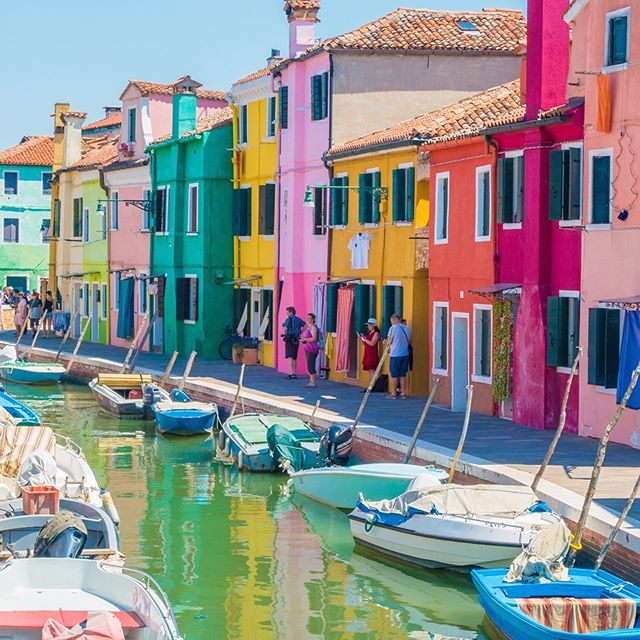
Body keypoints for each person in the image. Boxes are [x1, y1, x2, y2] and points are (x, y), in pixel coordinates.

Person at [383, 314, 412, 399]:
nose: (392, 323)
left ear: (395, 320)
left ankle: (394, 393)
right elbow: (409, 342)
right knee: (403, 375)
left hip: (395, 354)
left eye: (392, 321)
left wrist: (384, 342)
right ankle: (403, 393)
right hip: (405, 354)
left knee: (395, 375)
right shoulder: (407, 328)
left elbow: (389, 341)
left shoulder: (393, 328)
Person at [281, 306, 305, 379]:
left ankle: (292, 373)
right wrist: (300, 332)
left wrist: (284, 331)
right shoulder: (298, 319)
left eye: (287, 311)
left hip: (290, 339)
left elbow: (285, 328)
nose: (286, 313)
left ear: (291, 312)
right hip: (296, 339)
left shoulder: (289, 319)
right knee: (294, 357)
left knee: (290, 356)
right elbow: (305, 324)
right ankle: (294, 372)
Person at [300, 313, 320, 388]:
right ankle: (311, 381)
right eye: (307, 318)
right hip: (307, 348)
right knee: (309, 364)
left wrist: (305, 339)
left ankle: (313, 382)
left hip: (312, 349)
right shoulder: (308, 327)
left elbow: (314, 338)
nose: (307, 319)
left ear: (313, 319)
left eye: (309, 318)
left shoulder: (313, 328)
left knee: (311, 365)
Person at [359, 318, 380, 387]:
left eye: (369, 325)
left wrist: (365, 339)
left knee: (372, 370)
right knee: (369, 370)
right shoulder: (369, 333)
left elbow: (372, 343)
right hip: (367, 353)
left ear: (373, 325)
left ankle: (372, 386)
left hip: (372, 353)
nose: (368, 326)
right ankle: (371, 385)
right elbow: (366, 344)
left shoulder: (376, 333)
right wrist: (361, 339)